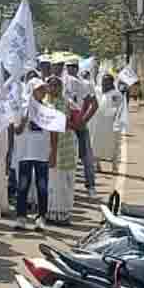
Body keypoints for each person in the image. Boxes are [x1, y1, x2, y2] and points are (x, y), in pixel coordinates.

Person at [13, 79, 58, 231]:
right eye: (39, 89)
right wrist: (24, 120)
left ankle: (41, 217)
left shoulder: (49, 108)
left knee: (42, 187)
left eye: (43, 89)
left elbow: (53, 133)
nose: (43, 92)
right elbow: (17, 130)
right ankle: (21, 217)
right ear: (32, 90)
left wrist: (53, 152)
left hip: (42, 154)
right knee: (23, 186)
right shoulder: (23, 107)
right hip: (26, 153)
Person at [64, 57, 100, 198]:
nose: (71, 69)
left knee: (86, 157)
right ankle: (67, 189)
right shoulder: (61, 83)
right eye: (68, 67)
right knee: (65, 158)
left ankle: (90, 186)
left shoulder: (84, 84)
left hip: (79, 126)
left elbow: (94, 104)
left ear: (77, 68)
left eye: (73, 66)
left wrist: (83, 121)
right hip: (65, 126)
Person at [46, 76, 79, 225]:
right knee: (55, 181)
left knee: (62, 180)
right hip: (56, 145)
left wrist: (53, 151)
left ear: (61, 88)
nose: (53, 89)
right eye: (51, 86)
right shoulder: (47, 103)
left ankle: (61, 214)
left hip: (62, 146)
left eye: (56, 86)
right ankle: (53, 213)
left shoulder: (64, 103)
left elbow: (69, 124)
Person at [91, 73, 124, 169]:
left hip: (110, 123)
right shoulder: (98, 91)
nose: (104, 84)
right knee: (96, 143)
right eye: (103, 81)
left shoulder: (116, 94)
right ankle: (97, 164)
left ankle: (114, 164)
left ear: (111, 83)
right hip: (98, 122)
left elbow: (117, 108)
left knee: (113, 144)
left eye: (106, 82)